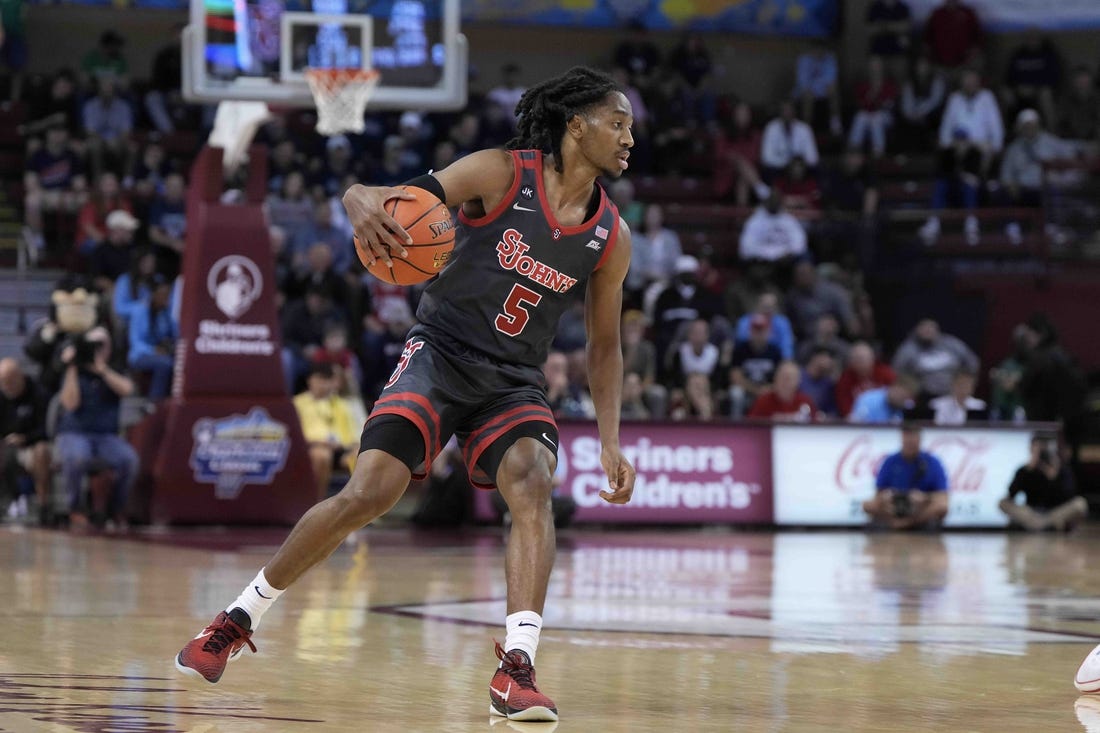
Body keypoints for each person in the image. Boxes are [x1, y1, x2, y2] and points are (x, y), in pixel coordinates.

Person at [174, 66, 638, 723]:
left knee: (533, 480)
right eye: (617, 123)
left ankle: (516, 669)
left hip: (512, 381)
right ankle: (236, 618)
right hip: (440, 353)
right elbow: (393, 198)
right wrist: (359, 197)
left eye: (630, 128)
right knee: (371, 490)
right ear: (575, 125)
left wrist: (612, 438)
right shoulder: (502, 172)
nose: (628, 138)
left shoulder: (610, 237)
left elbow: (604, 347)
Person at [55, 326, 138, 529]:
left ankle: (115, 509)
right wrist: (73, 366)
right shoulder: (74, 371)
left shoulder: (114, 369)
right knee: (77, 457)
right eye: (94, 345)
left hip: (105, 436)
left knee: (129, 460)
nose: (98, 350)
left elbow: (127, 389)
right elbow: (70, 403)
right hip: (75, 433)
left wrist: (103, 371)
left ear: (109, 347)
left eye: (102, 345)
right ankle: (75, 508)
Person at [863, 425, 949, 530]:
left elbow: (943, 497)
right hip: (894, 508)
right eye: (907, 438)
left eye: (913, 439)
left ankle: (907, 523)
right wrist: (887, 496)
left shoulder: (932, 462)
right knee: (868, 505)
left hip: (919, 510)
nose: (910, 442)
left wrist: (925, 497)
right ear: (902, 439)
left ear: (919, 440)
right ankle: (896, 522)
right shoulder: (890, 461)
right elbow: (878, 495)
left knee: (941, 507)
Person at [293, 362, 358, 501]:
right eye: (319, 379)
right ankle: (315, 502)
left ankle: (360, 507)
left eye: (326, 380)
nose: (322, 384)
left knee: (364, 455)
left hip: (339, 449)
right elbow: (293, 435)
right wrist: (318, 442)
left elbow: (351, 437)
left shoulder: (340, 405)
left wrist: (352, 447)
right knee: (321, 455)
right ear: (310, 380)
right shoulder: (297, 403)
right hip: (310, 448)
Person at [999, 435, 1087, 532]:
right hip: (1032, 514)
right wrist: (1028, 470)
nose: (1041, 455)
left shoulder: (1061, 470)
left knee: (1080, 503)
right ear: (1031, 450)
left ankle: (1044, 526)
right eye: (1037, 451)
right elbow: (1011, 495)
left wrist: (1054, 478)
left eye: (1043, 451)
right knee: (1002, 502)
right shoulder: (1024, 470)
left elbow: (1069, 495)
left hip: (1054, 513)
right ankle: (1049, 526)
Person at [0, 358, 50, 524]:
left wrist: (25, 438)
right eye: (3, 383)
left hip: (32, 444)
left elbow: (46, 430)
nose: (7, 387)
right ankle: (10, 502)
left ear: (19, 376)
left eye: (10, 382)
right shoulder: (2, 396)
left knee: (41, 451)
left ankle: (43, 507)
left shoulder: (38, 393)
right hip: (7, 445)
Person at [892, 318, 979, 400]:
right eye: (924, 329)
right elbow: (896, 369)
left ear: (937, 330)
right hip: (921, 395)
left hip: (952, 393)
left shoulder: (951, 344)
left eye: (930, 329)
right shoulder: (909, 348)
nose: (927, 332)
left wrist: (963, 381)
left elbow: (972, 362)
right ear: (917, 331)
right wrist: (911, 385)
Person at [748, 360, 818, 421]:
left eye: (790, 378)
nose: (785, 382)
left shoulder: (805, 400)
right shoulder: (763, 401)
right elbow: (752, 426)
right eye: (782, 377)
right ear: (775, 378)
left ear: (798, 381)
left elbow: (815, 425)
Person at [849, 372, 919, 424]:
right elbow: (854, 425)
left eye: (905, 399)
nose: (903, 402)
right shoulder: (869, 400)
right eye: (902, 397)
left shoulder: (898, 410)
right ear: (895, 387)